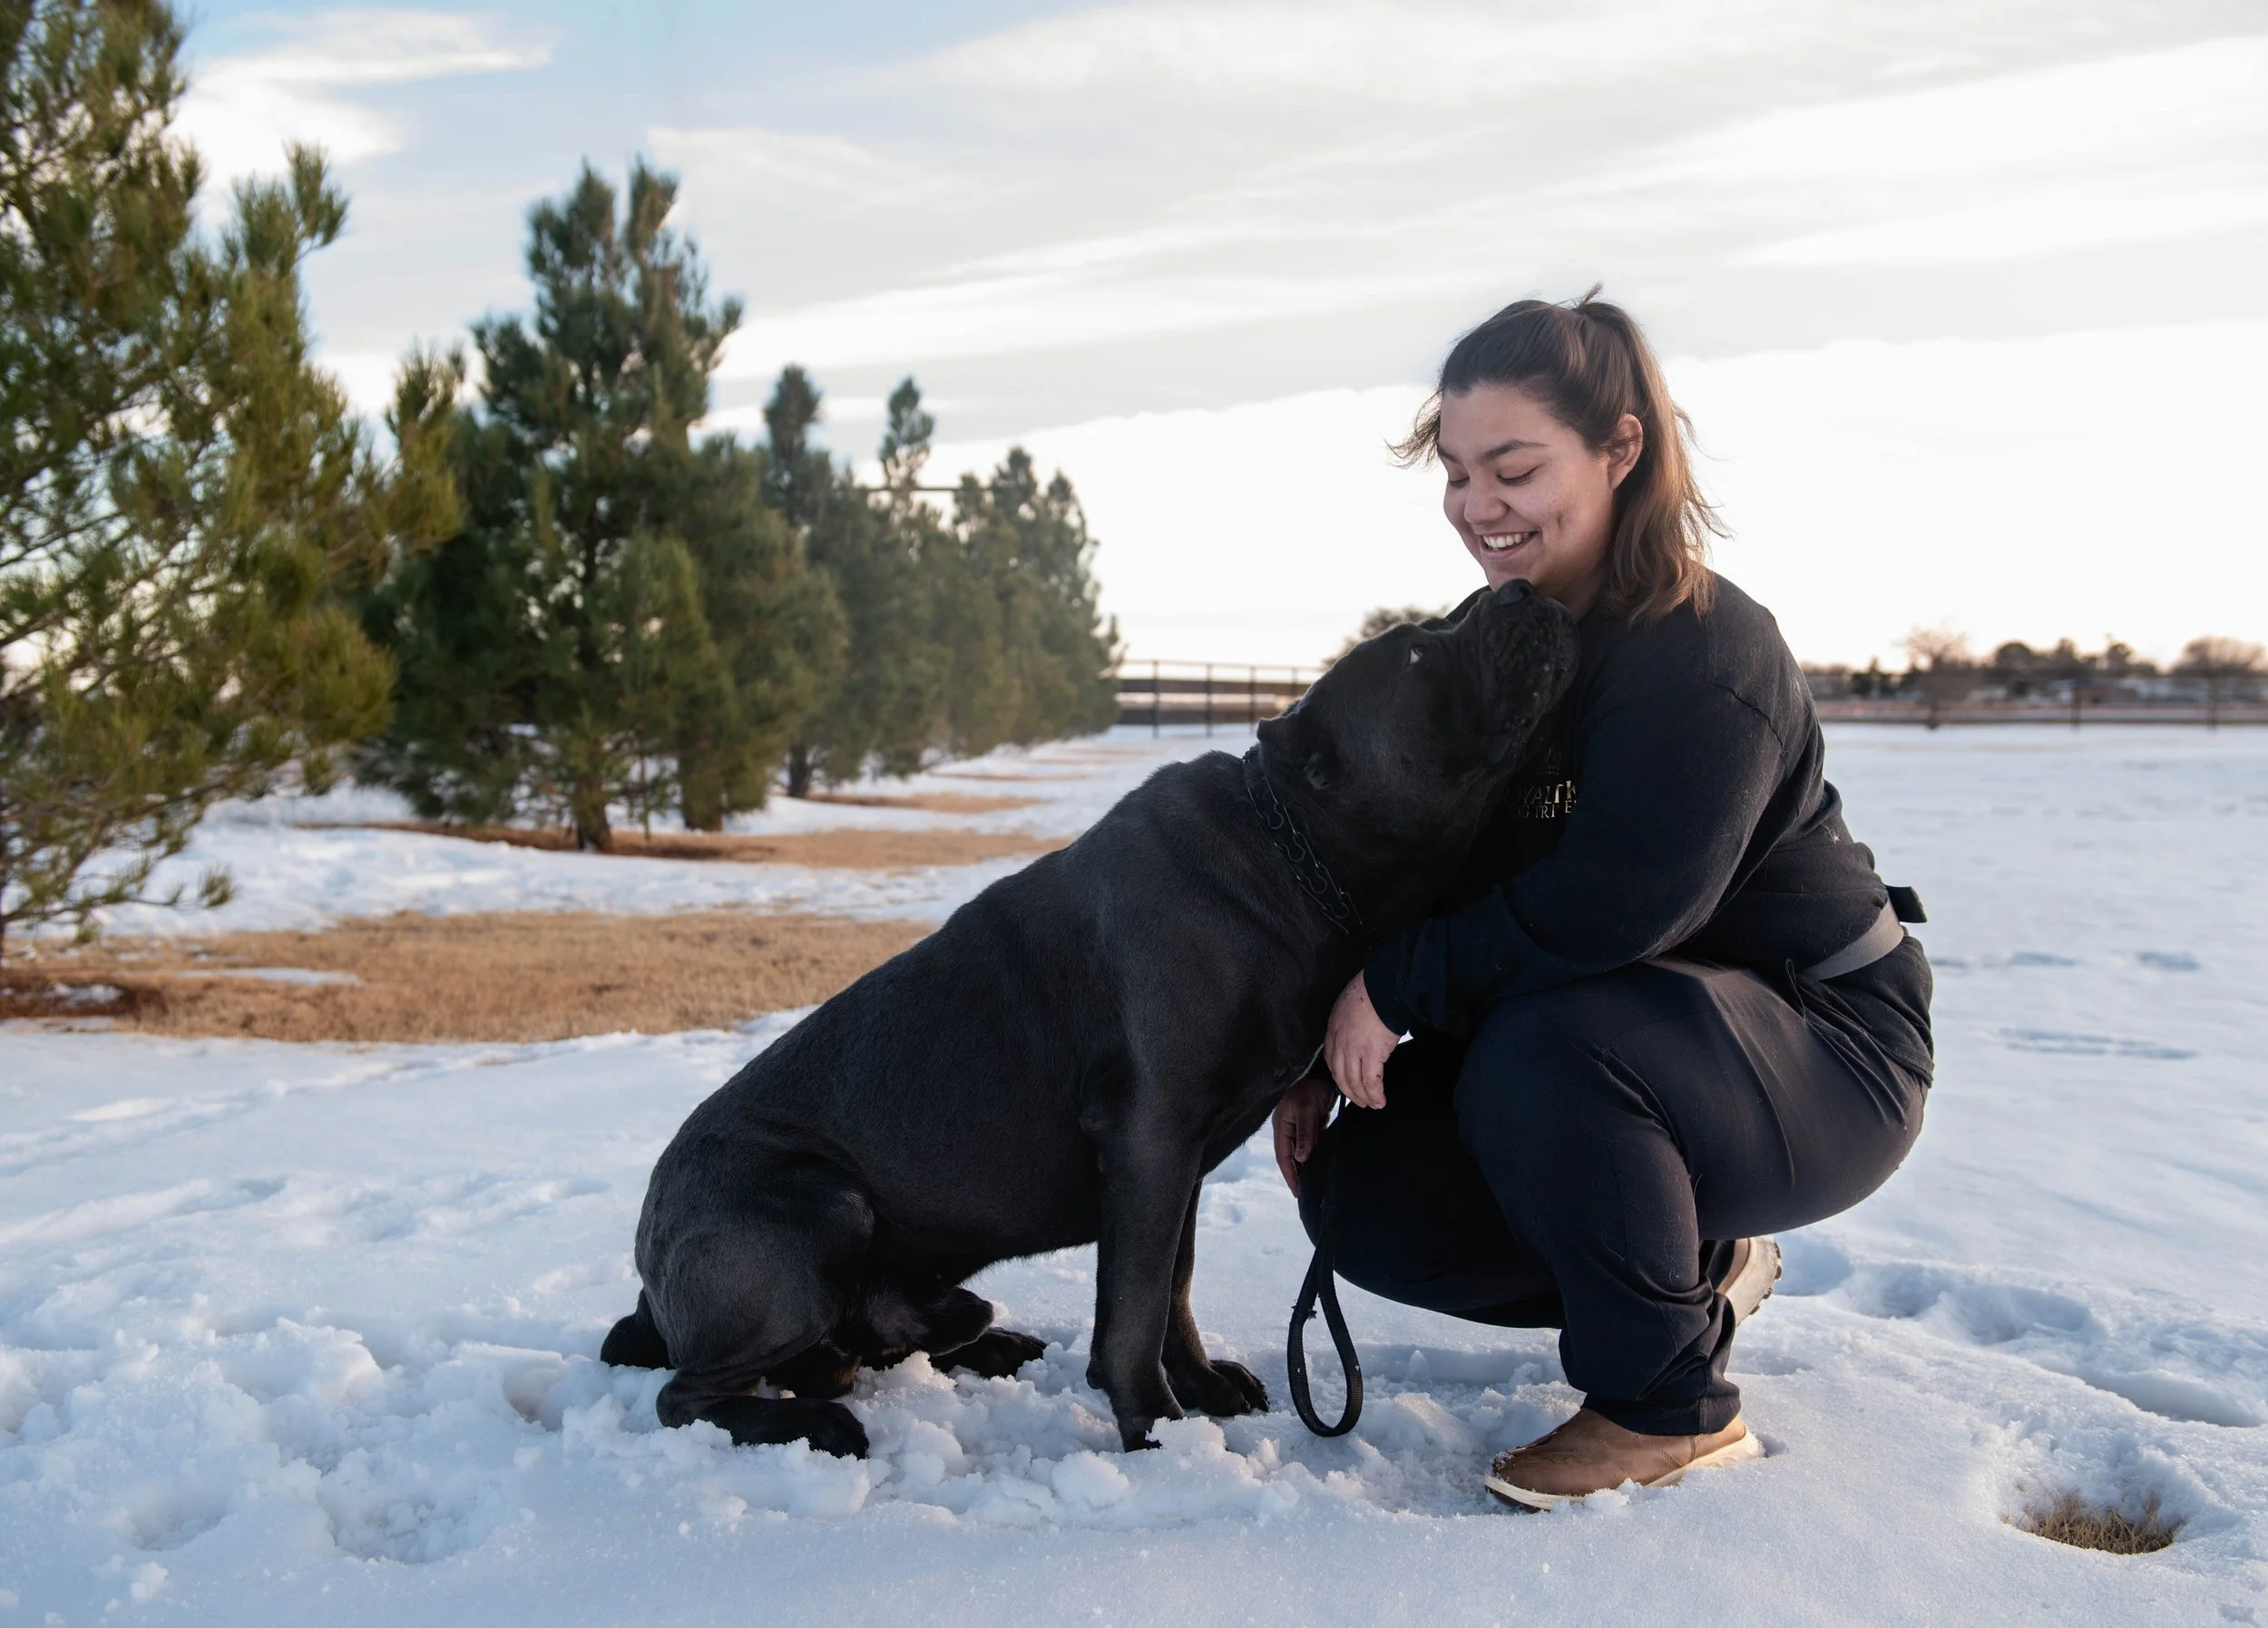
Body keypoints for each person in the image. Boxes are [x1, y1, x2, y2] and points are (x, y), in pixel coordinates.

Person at [1271, 291, 1932, 1510]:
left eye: (1514, 469)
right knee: (1365, 1191)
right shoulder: (1495, 644)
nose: (1478, 507)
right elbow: (1418, 855)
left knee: (1549, 1041)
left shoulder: (1706, 651)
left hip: (1824, 1046)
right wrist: (1320, 1033)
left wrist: (1398, 986)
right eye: (1459, 473)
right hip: (1633, 1044)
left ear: (1621, 450)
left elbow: (1619, 906)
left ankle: (1663, 1401)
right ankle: (1692, 1263)